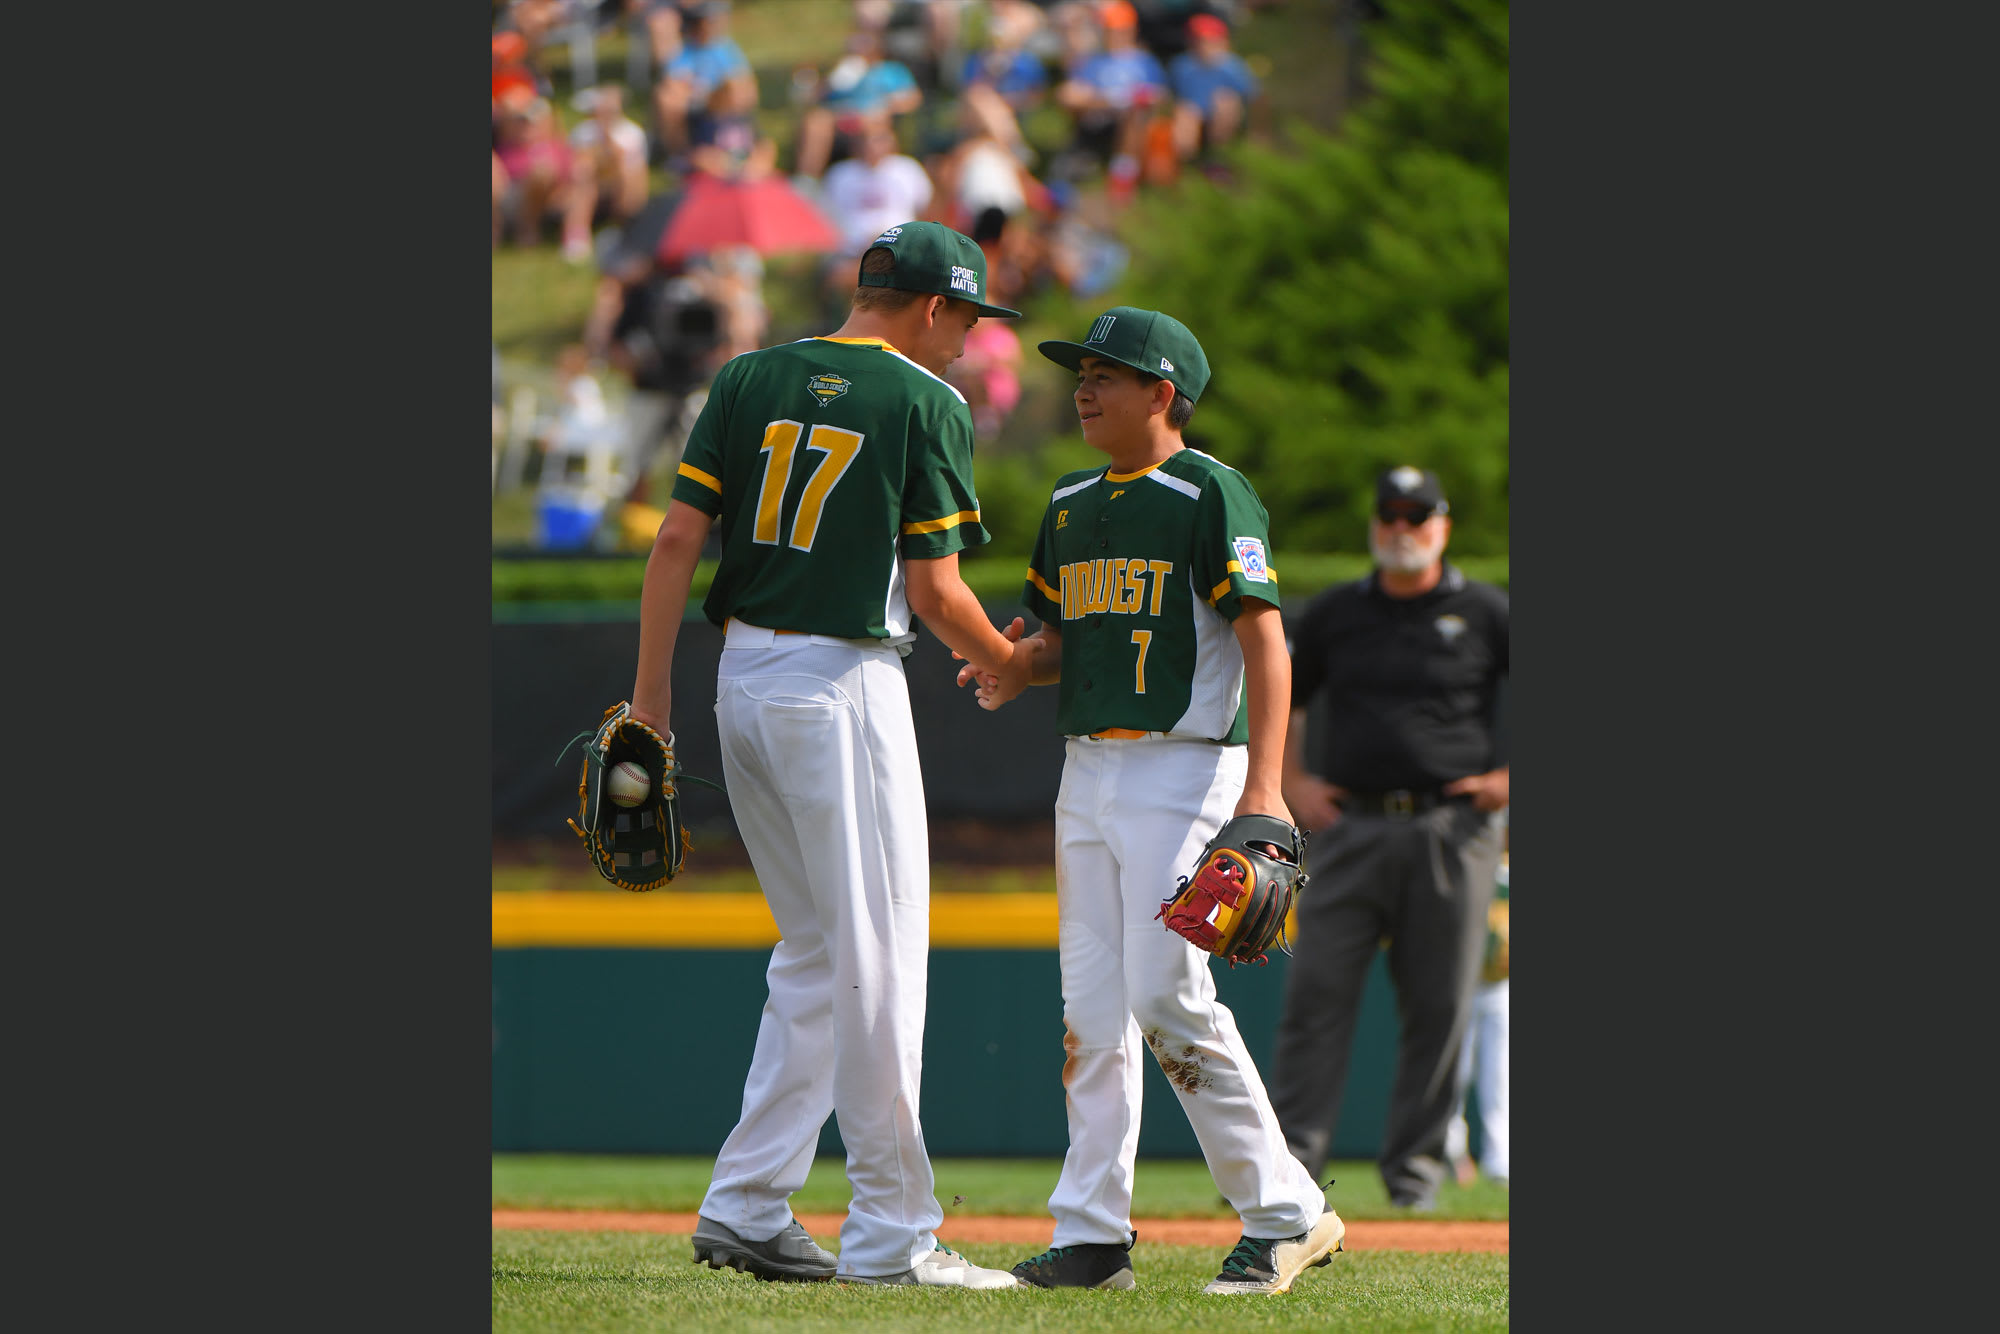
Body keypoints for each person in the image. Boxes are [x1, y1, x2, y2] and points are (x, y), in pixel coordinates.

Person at [629, 220, 1033, 1289]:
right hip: (839, 681)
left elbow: (675, 540)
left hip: (739, 684)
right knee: (879, 960)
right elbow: (939, 590)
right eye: (967, 317)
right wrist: (1015, 663)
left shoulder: (749, 373)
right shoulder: (924, 401)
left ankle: (748, 1203)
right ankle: (893, 1236)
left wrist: (650, 698)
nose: (968, 340)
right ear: (935, 306)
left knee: (813, 955)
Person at [957, 306, 1344, 1296]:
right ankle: (1090, 1232)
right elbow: (1058, 642)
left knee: (1165, 990)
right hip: (1084, 771)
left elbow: (1263, 637)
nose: (1083, 386)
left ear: (1162, 393)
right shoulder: (1070, 498)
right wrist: (1009, 665)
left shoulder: (1207, 490)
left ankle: (1285, 1209)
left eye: (1106, 373)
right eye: (1079, 371)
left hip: (1185, 768)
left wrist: (1263, 788)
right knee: (1088, 1009)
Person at [1269, 465, 1511, 1211]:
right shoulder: (1339, 611)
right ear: (1375, 524)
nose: (1401, 528)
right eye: (1389, 515)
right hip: (1350, 827)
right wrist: (1291, 781)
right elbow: (1287, 696)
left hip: (1454, 827)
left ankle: (1414, 1179)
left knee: (1439, 1008)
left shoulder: (1486, 611)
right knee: (1315, 998)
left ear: (1443, 525)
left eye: (1417, 515)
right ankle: (1289, 1177)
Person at [1446, 844, 1509, 1189]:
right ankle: (1452, 1152)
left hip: (1500, 984)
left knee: (1498, 1077)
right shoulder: (1464, 862)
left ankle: (1500, 1160)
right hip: (1462, 983)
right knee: (1455, 1073)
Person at [1166, 12, 1265, 175]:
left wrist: (1258, 132)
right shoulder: (1182, 66)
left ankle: (1218, 159)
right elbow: (1171, 96)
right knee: (1185, 113)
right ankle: (1185, 166)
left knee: (1225, 102)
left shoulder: (1233, 67)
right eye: (1199, 41)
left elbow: (1256, 98)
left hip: (1224, 117)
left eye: (1210, 41)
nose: (1204, 47)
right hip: (1192, 116)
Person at [562, 84, 650, 261]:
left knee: (627, 176)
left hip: (621, 184)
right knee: (584, 177)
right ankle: (576, 236)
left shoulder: (632, 132)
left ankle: (630, 231)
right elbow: (577, 162)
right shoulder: (583, 132)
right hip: (591, 185)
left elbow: (633, 168)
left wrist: (607, 144)